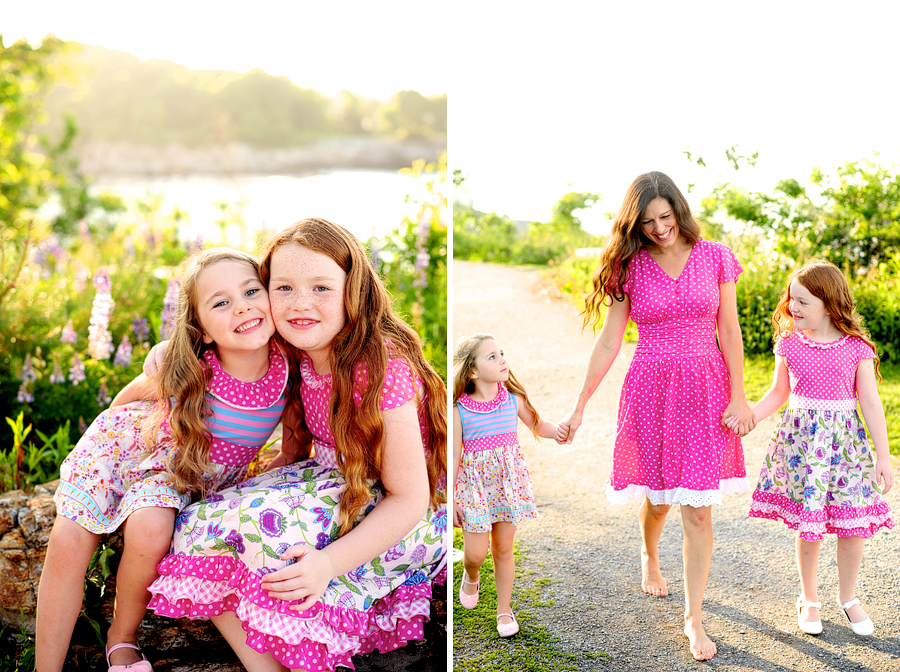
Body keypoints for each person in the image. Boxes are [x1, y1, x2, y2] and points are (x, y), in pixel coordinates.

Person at [143, 218, 447, 672]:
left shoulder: (381, 367)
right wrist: (166, 354)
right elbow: (220, 347)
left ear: (354, 291)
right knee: (196, 525)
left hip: (395, 510)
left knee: (274, 545)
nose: (301, 304)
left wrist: (328, 564)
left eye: (321, 288)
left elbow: (411, 497)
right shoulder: (295, 348)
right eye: (283, 288)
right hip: (327, 479)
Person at [36, 248, 288, 672]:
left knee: (152, 526)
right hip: (136, 453)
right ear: (203, 330)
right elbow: (120, 408)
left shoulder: (289, 368)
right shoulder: (188, 363)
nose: (242, 306)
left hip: (190, 477)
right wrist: (106, 470)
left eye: (251, 290)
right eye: (220, 302)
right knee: (67, 540)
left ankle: (121, 639)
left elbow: (296, 442)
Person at [556, 171, 754, 661]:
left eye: (665, 217)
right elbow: (609, 340)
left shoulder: (715, 256)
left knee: (699, 507)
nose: (659, 228)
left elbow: (729, 330)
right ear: (634, 224)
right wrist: (580, 405)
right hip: (651, 389)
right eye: (647, 222)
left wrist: (741, 396)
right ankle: (649, 552)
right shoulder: (629, 267)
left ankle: (693, 617)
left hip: (708, 387)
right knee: (661, 499)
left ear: (679, 212)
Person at [727, 261, 894, 636]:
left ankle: (848, 597)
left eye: (802, 301)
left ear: (829, 304)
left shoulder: (856, 347)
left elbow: (870, 402)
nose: (792, 308)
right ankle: (809, 597)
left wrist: (883, 456)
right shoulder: (789, 343)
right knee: (810, 524)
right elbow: (779, 392)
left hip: (846, 448)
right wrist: (749, 417)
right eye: (790, 300)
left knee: (852, 526)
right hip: (804, 447)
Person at [452, 334, 558, 637]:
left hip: (508, 489)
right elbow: (454, 454)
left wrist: (560, 431)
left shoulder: (514, 400)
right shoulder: (460, 409)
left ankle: (503, 610)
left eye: (501, 354)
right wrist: (453, 498)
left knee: (503, 548)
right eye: (492, 357)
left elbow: (538, 425)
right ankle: (470, 575)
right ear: (472, 371)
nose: (502, 361)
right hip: (474, 490)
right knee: (475, 554)